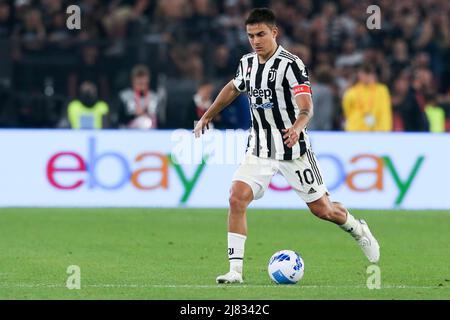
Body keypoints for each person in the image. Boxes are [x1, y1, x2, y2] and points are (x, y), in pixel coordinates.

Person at [193, 8, 380, 284]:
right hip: (259, 148)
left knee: (323, 210)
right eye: (250, 36)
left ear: (274, 33)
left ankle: (357, 228)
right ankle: (235, 271)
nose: (255, 41)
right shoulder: (246, 63)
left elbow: (307, 107)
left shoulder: (292, 65)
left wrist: (296, 128)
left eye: (260, 34)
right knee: (236, 197)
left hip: (294, 151)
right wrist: (208, 114)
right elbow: (233, 88)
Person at [342, 63, 392, 131]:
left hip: (376, 131)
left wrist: (385, 130)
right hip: (355, 130)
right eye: (361, 74)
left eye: (367, 74)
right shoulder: (352, 92)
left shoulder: (382, 90)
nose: (363, 77)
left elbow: (385, 112)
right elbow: (346, 110)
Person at [117, 64, 159, 129]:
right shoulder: (124, 96)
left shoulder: (155, 97)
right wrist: (134, 115)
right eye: (139, 83)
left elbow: (161, 120)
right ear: (133, 81)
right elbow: (118, 119)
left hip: (152, 132)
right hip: (129, 132)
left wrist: (147, 114)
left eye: (144, 83)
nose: (142, 86)